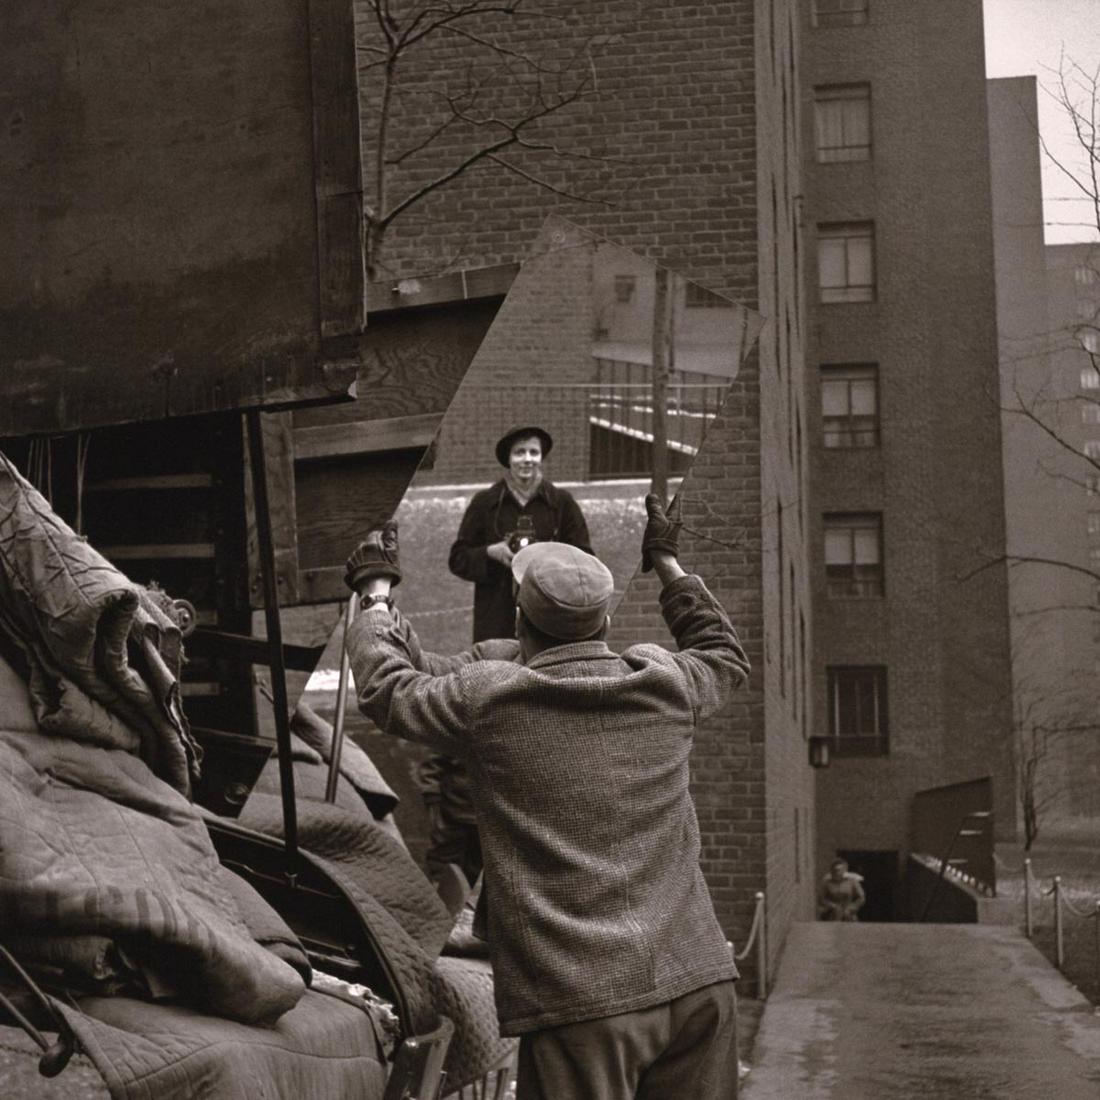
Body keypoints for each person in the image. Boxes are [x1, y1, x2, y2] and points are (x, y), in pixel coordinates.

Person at [343, 495, 750, 1099]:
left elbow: (388, 688)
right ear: (607, 624)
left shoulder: (492, 700)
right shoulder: (663, 683)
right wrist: (666, 561)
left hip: (583, 1007)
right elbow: (723, 653)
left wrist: (376, 595)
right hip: (699, 987)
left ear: (517, 622)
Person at [422, 425, 592, 900]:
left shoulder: (561, 506)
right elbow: (457, 558)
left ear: (543, 459)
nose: (527, 460)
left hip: (547, 628)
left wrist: (545, 560)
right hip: (496, 625)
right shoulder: (485, 505)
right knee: (495, 696)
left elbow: (586, 559)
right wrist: (491, 555)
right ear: (507, 461)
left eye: (534, 452)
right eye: (519, 453)